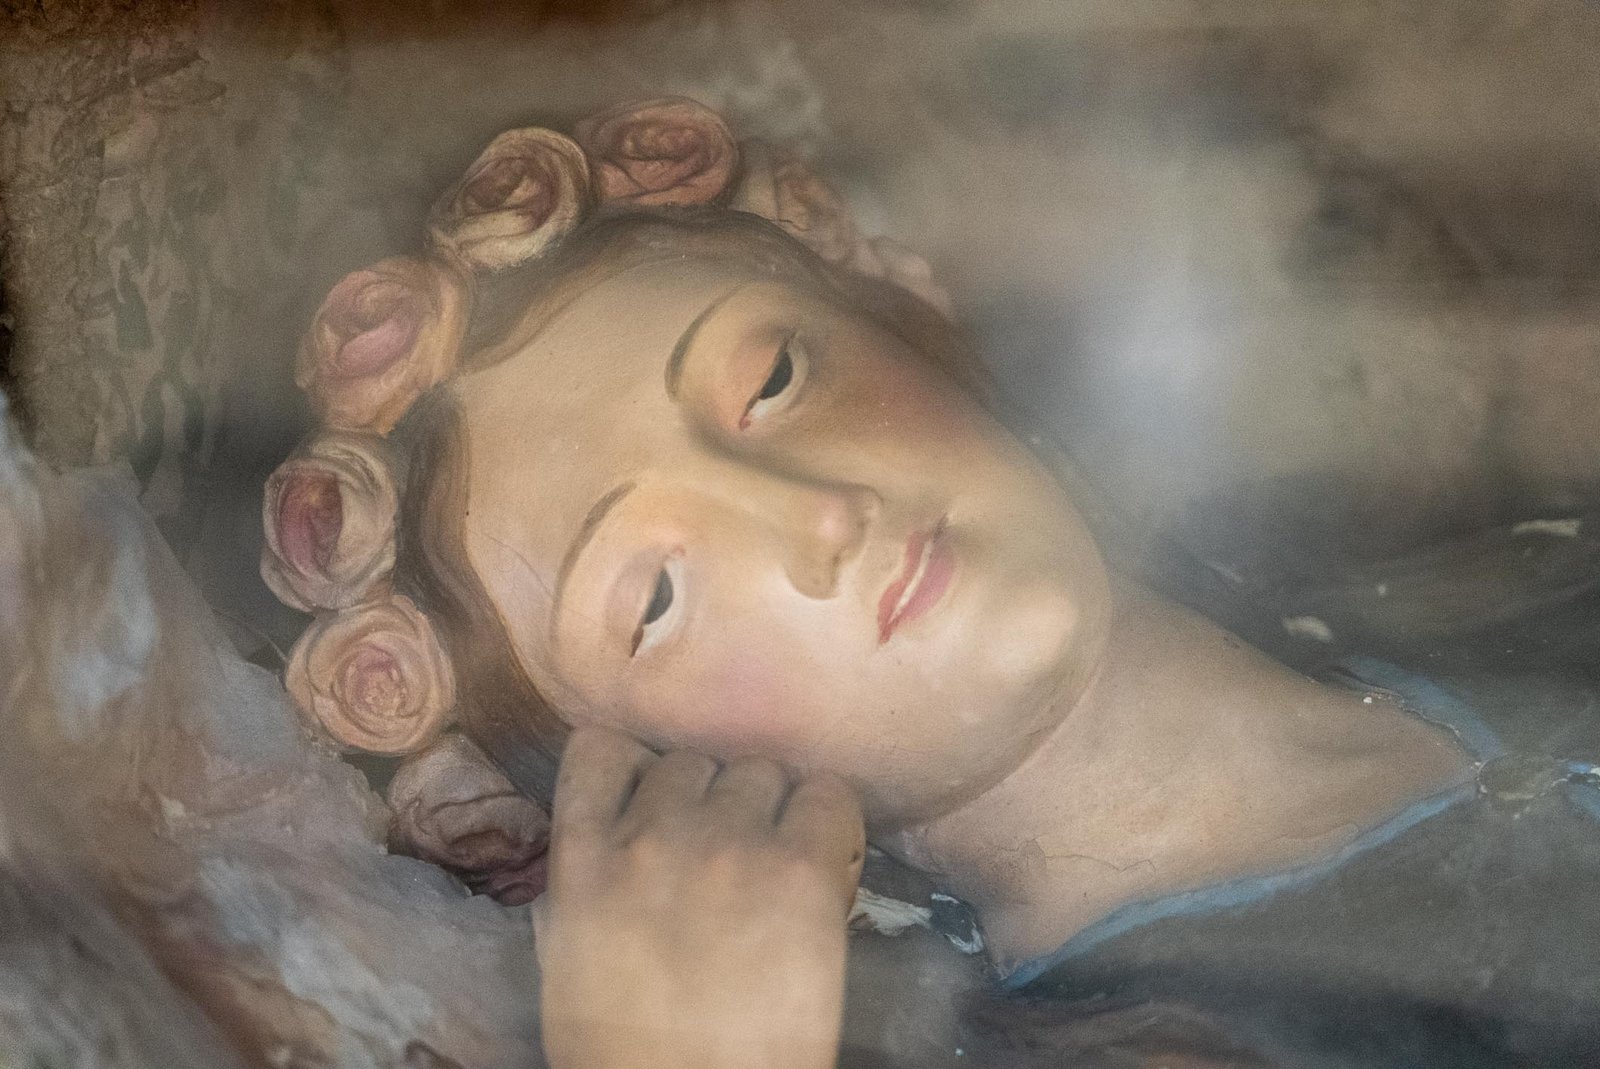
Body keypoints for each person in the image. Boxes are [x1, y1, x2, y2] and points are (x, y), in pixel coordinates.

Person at [261, 100, 1600, 1069]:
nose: (817, 518)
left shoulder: (1518, 601)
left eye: (774, 379)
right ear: (655, 799)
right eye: (656, 597)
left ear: (908, 320)